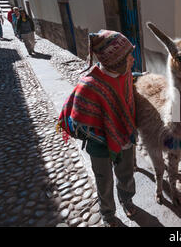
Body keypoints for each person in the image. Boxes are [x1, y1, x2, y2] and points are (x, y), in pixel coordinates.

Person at [56, 30, 140, 227]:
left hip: (125, 135)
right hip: (100, 145)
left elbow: (126, 95)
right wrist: (100, 130)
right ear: (115, 61)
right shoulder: (89, 86)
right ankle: (108, 213)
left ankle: (126, 199)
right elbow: (79, 118)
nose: (132, 59)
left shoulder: (125, 73)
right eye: (129, 56)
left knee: (126, 173)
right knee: (104, 180)